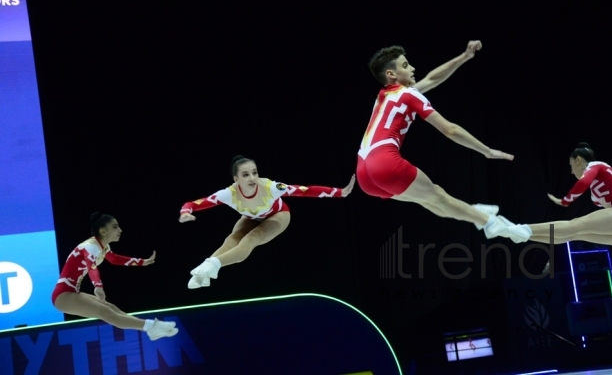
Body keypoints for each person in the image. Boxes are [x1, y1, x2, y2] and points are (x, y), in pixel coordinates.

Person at [356, 41, 517, 238]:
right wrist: (487, 151)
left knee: (432, 199)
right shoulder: (408, 94)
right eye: (406, 65)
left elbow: (432, 79)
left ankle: (477, 215)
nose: (413, 68)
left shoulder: (383, 95)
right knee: (438, 197)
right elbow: (450, 130)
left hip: (364, 173)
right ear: (391, 74)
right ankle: (490, 223)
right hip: (384, 163)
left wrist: (464, 56)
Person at [179, 155, 355, 288]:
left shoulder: (271, 187)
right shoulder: (228, 194)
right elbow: (193, 204)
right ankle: (204, 273)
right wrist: (185, 212)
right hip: (252, 217)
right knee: (232, 238)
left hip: (278, 215)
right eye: (246, 175)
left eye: (254, 173)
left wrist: (339, 192)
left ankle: (213, 264)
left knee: (251, 239)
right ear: (236, 179)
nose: (252, 178)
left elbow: (304, 190)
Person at [52, 212, 178, 340]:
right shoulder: (90, 247)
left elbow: (114, 259)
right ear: (103, 231)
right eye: (115, 227)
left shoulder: (103, 246)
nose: (120, 230)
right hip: (63, 296)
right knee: (107, 313)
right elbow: (92, 267)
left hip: (71, 292)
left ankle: (150, 329)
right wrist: (98, 286)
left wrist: (142, 262)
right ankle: (152, 326)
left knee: (111, 308)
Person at [498, 142, 612, 246]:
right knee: (574, 234)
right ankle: (523, 235)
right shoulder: (594, 196)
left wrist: (565, 201)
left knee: (574, 225)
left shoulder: (596, 165)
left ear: (578, 160)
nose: (571, 171)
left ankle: (517, 228)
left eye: (571, 166)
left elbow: (583, 183)